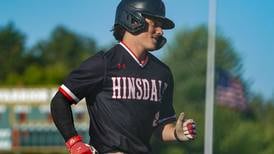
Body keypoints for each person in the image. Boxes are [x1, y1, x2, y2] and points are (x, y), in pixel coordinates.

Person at [50, 0, 196, 153]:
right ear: (132, 19)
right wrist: (74, 142)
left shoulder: (162, 73)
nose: (161, 31)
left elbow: (160, 127)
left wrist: (176, 132)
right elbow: (60, 101)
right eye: (155, 23)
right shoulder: (103, 63)